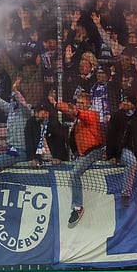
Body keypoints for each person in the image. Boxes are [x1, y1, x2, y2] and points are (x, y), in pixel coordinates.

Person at [0, 82, 34, 211]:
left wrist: (15, 90)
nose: (12, 100)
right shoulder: (11, 109)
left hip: (21, 152)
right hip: (12, 151)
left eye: (14, 98)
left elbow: (24, 104)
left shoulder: (27, 111)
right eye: (12, 98)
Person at [54, 91, 104, 225]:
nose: (80, 105)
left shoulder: (92, 115)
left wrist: (75, 111)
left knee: (74, 174)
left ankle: (78, 207)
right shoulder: (77, 120)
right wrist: (55, 103)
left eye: (82, 103)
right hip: (82, 154)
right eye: (78, 103)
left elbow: (79, 113)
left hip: (94, 151)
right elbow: (68, 110)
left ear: (89, 104)